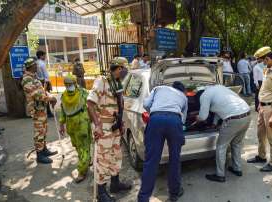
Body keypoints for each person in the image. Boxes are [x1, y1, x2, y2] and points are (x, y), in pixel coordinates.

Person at [87, 58, 131, 202]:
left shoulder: (117, 83)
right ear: (118, 68)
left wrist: (121, 122)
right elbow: (90, 103)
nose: (125, 71)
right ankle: (101, 193)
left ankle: (115, 184)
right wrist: (97, 125)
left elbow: (118, 105)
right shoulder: (102, 81)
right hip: (104, 128)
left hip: (115, 126)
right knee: (103, 159)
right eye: (124, 68)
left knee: (116, 156)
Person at [138, 81, 188, 202]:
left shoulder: (158, 88)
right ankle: (174, 194)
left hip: (155, 120)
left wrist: (155, 113)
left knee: (151, 161)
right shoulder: (184, 97)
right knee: (175, 159)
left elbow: (146, 104)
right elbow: (183, 119)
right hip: (174, 121)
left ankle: (143, 198)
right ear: (182, 90)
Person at [195, 85, 250, 182]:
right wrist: (214, 124)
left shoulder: (204, 96)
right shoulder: (219, 88)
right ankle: (237, 168)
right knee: (236, 143)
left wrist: (197, 118)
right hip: (247, 114)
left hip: (233, 119)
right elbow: (218, 109)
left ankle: (220, 175)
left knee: (221, 146)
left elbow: (203, 117)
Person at [247, 47, 272, 172]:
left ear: (268, 58)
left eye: (262, 60)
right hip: (262, 107)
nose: (261, 63)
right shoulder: (267, 69)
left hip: (270, 108)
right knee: (260, 134)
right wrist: (260, 104)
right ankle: (261, 156)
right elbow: (265, 89)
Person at [21, 57, 58, 164]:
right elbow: (36, 94)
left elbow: (41, 91)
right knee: (39, 132)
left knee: (44, 130)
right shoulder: (27, 79)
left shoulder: (34, 77)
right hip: (36, 110)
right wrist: (50, 98)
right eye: (35, 65)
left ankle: (44, 149)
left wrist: (49, 95)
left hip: (41, 108)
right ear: (31, 66)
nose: (37, 66)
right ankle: (39, 155)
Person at [59, 75, 91, 183]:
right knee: (78, 147)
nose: (69, 86)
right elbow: (63, 111)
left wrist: (96, 121)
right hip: (71, 126)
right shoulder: (64, 96)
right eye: (66, 85)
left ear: (75, 83)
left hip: (82, 124)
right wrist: (61, 124)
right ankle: (86, 160)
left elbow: (92, 105)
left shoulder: (83, 93)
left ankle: (82, 171)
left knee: (83, 147)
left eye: (70, 84)